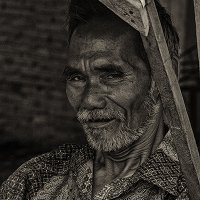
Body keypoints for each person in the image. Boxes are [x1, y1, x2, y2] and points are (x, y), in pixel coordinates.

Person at [0, 0, 189, 199]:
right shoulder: (34, 179)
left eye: (112, 75)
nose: (89, 100)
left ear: (164, 77)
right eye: (77, 78)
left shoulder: (186, 189)